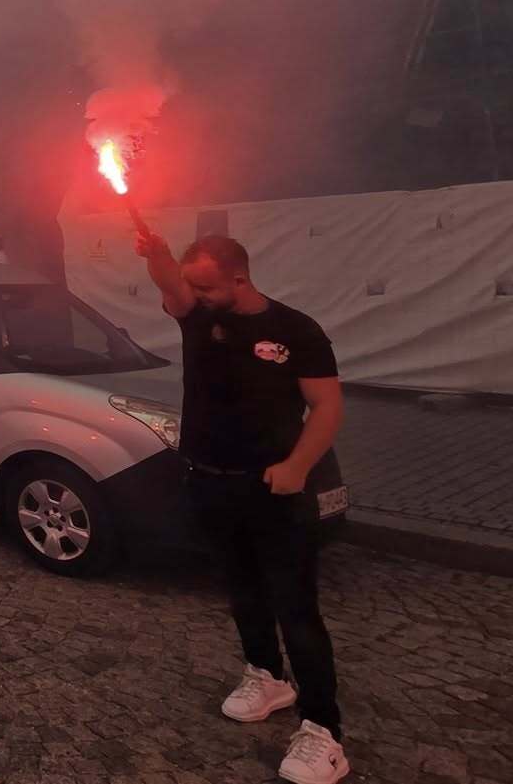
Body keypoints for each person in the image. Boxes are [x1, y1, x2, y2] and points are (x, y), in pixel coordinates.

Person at [137, 230, 349, 784]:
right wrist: (157, 252)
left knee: (296, 608)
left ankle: (323, 730)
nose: (194, 296)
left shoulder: (295, 330)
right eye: (189, 286)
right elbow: (168, 279)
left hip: (275, 488)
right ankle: (266, 675)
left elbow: (326, 407)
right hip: (210, 482)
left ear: (239, 278)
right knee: (242, 590)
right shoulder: (196, 316)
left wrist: (298, 466)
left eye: (205, 286)